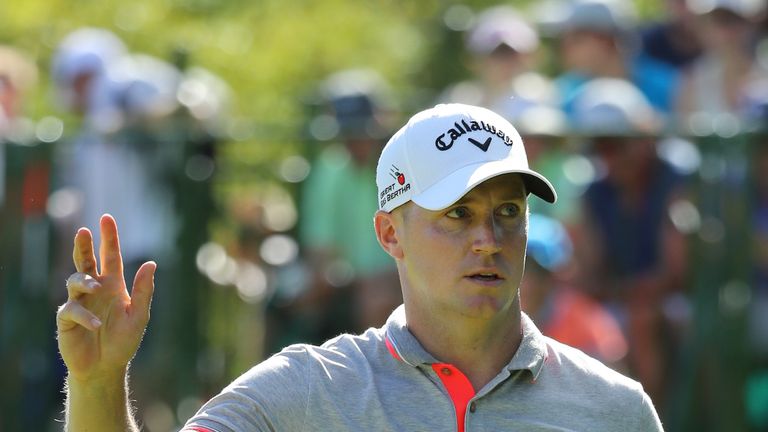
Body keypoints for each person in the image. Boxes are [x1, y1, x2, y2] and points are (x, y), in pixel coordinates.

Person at [56, 103, 663, 431]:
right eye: (457, 214)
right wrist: (98, 384)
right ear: (389, 234)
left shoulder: (615, 409)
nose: (488, 239)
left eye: (508, 212)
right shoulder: (305, 389)